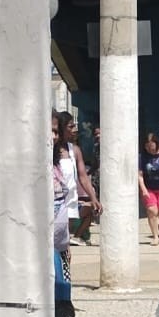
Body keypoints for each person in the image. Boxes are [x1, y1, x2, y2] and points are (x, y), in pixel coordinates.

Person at [62, 113, 100, 246]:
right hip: (55, 204)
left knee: (64, 247)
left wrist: (93, 198)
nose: (74, 130)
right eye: (71, 126)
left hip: (71, 202)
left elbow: (83, 176)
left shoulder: (75, 151)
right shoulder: (50, 150)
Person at [51, 114, 76, 277]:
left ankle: (64, 298)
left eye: (55, 132)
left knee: (63, 269)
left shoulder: (56, 163)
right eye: (50, 132)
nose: (53, 137)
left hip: (61, 237)